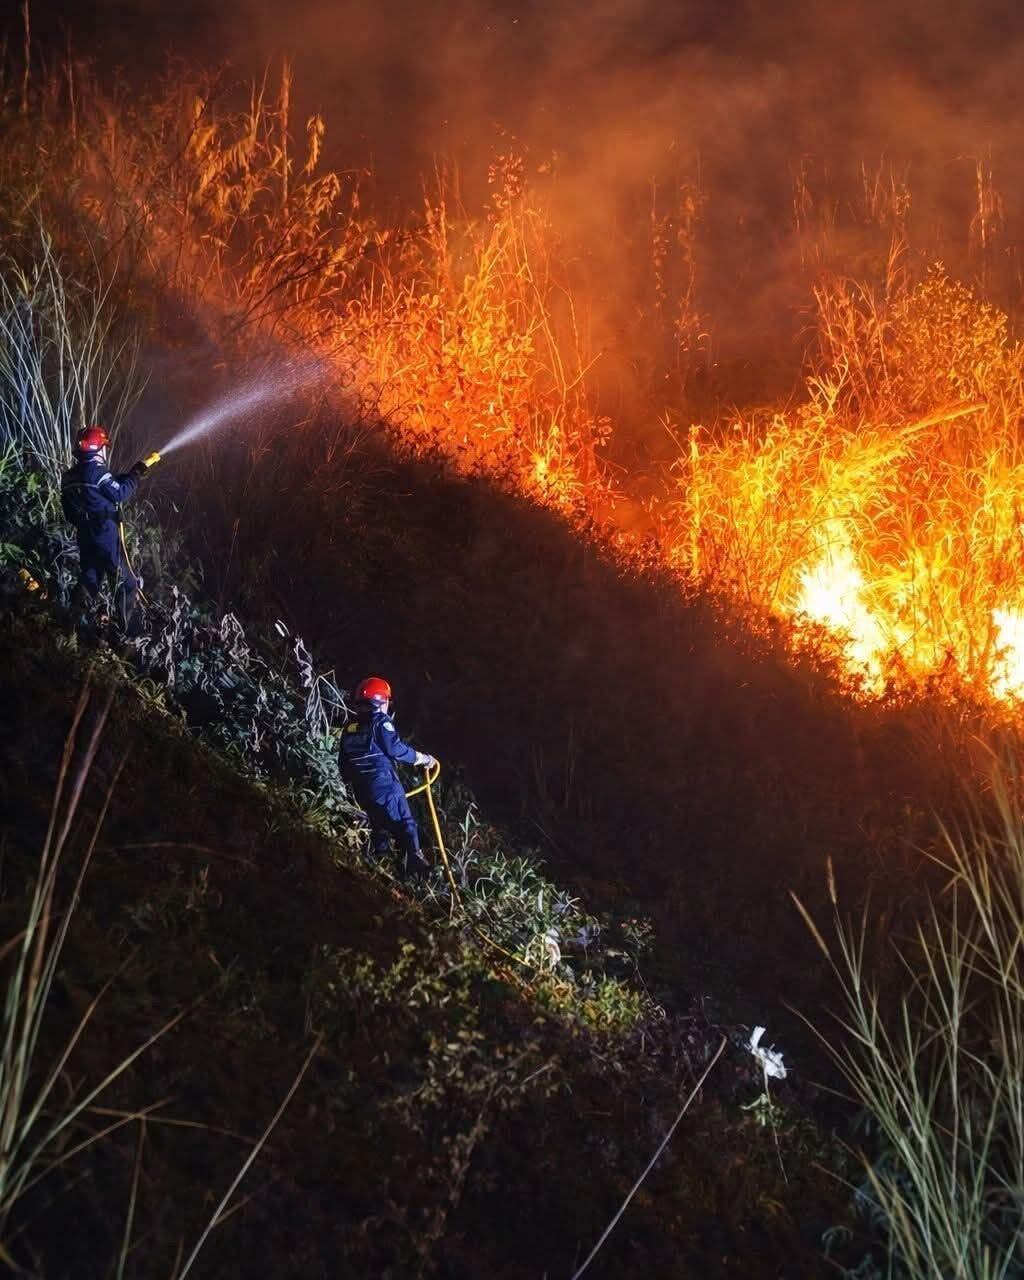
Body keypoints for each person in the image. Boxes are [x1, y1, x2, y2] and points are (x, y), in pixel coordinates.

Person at [339, 676, 436, 878]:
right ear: (381, 701)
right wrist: (423, 759)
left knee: (379, 825)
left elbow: (343, 764)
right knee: (405, 822)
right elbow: (396, 749)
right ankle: (414, 869)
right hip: (384, 783)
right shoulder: (380, 722)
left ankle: (379, 866)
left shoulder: (350, 727)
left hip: (361, 788)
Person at [60, 425, 151, 628]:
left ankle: (71, 627)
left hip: (85, 535)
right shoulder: (98, 472)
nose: (105, 451)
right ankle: (126, 632)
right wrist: (135, 475)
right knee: (126, 583)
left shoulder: (68, 477)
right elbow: (119, 493)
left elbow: (70, 511)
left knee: (89, 579)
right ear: (97, 448)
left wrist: (125, 476)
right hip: (105, 536)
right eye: (104, 447)